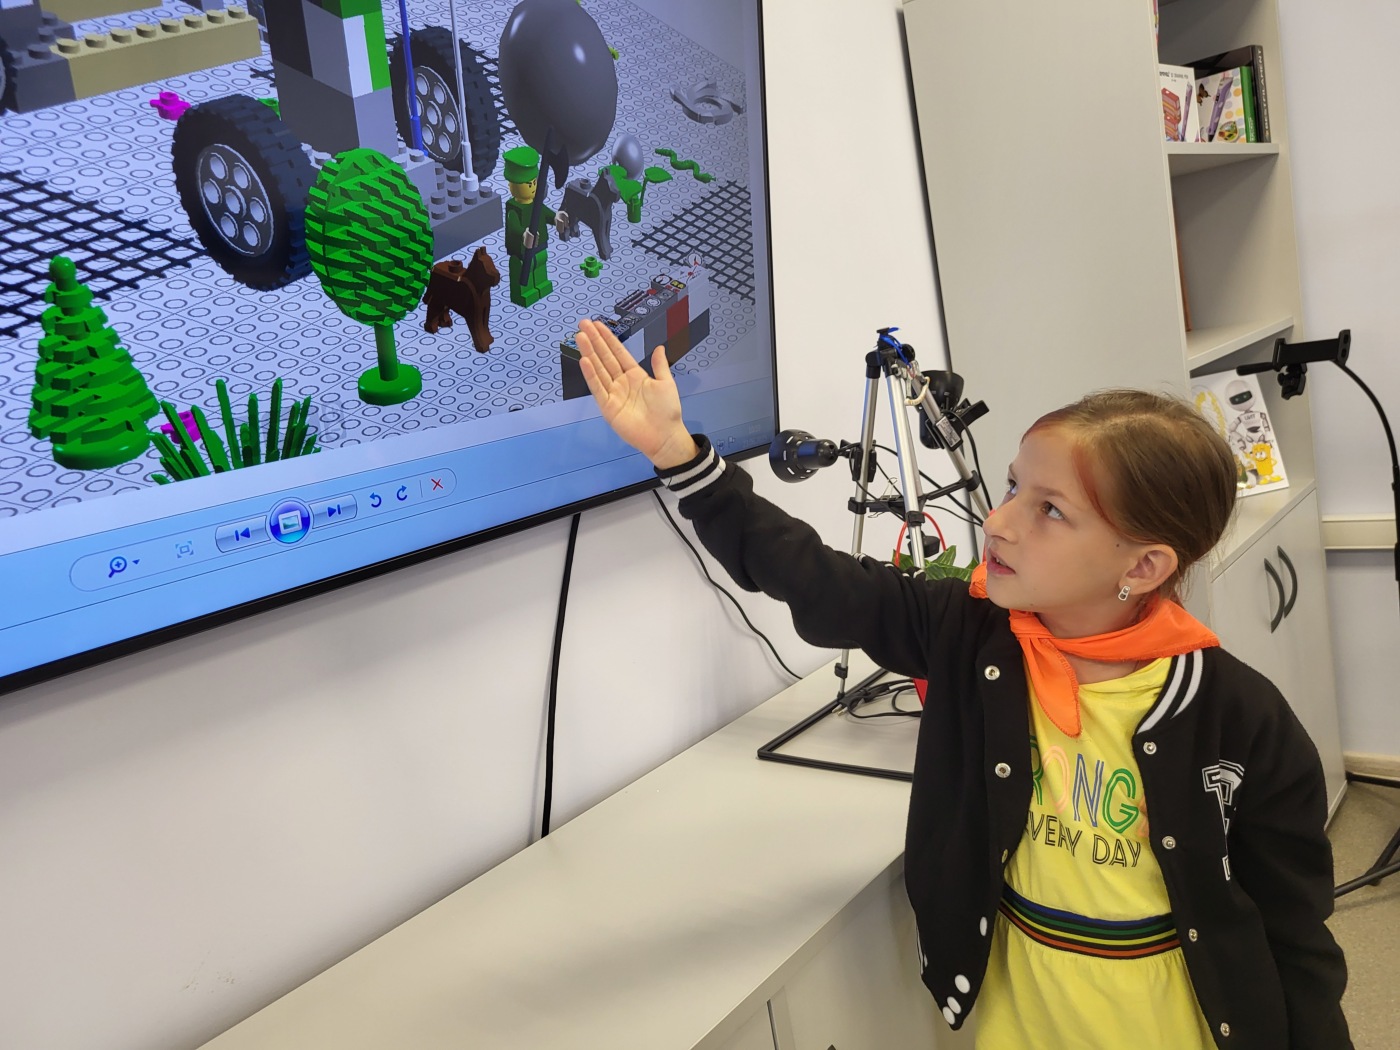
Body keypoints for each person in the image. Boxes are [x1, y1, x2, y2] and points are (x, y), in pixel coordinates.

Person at [573, 317, 1353, 1050]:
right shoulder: (968, 632)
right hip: (1021, 1021)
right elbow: (812, 577)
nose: (1000, 522)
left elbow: (1295, 932)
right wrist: (678, 452)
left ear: (1143, 566)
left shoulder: (1242, 718)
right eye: (1013, 488)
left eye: (1050, 511)